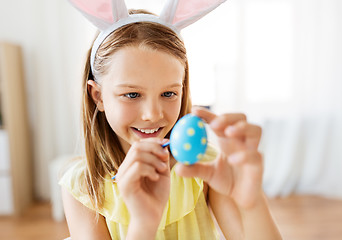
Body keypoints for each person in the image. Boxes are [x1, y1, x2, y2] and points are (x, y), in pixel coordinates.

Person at [60, 0, 282, 239]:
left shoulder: (206, 167)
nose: (153, 114)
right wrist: (143, 224)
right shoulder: (83, 186)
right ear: (98, 96)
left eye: (168, 93)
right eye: (132, 94)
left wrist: (252, 204)